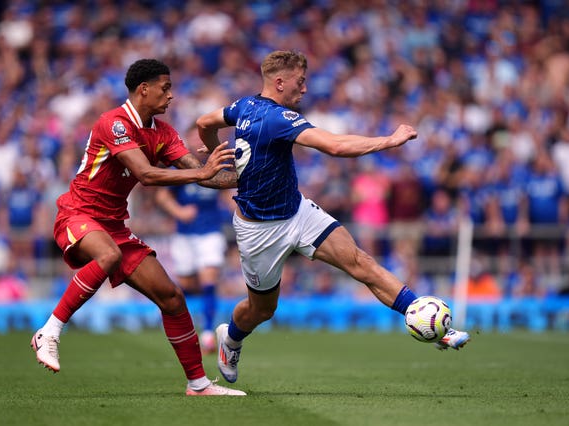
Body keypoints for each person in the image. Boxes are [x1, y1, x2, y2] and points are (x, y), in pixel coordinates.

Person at [195, 50, 471, 384]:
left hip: (296, 212)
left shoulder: (242, 106)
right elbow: (336, 147)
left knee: (359, 262)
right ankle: (232, 338)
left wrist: (214, 154)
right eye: (300, 81)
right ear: (279, 82)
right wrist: (389, 140)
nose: (305, 89)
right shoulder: (277, 118)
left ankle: (427, 319)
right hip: (258, 230)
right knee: (261, 310)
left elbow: (204, 123)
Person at [30, 59, 245, 396]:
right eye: (166, 87)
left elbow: (205, 175)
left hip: (113, 225)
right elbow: (146, 174)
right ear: (144, 89)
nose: (171, 95)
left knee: (172, 297)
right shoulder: (114, 123)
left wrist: (247, 174)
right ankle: (50, 331)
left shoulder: (163, 132)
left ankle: (198, 384)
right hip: (78, 213)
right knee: (108, 255)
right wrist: (202, 173)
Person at [155, 126, 234, 354]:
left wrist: (239, 210)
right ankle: (185, 328)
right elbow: (162, 195)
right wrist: (179, 212)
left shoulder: (218, 166)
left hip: (210, 232)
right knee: (187, 284)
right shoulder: (179, 167)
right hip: (185, 234)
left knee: (209, 278)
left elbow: (227, 194)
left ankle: (208, 332)